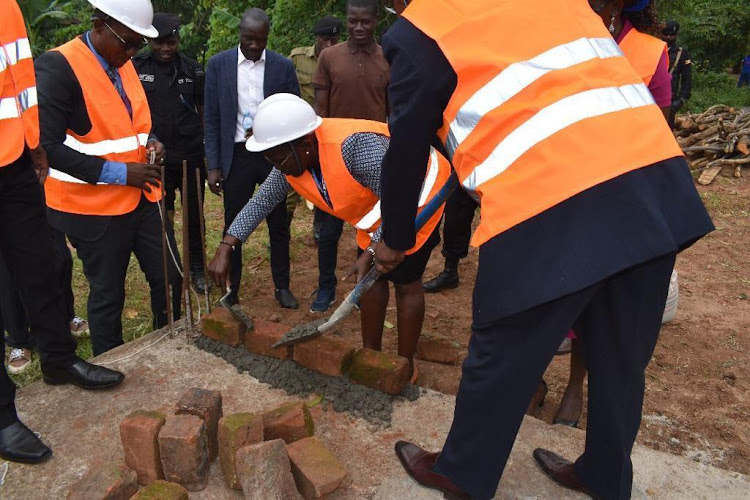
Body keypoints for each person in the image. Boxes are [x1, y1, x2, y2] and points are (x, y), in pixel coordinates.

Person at [376, 1, 714, 499]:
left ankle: (462, 475)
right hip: (650, 187)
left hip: (549, 198)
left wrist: (395, 239)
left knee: (500, 353)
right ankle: (605, 475)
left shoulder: (418, 34)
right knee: (620, 358)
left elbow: (406, 149)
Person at [207, 93, 450, 380]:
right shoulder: (289, 160)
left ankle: (405, 364)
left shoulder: (355, 148)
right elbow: (261, 202)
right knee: (371, 277)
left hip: (420, 192)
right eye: (269, 157)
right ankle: (371, 355)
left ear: (306, 144)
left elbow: (401, 191)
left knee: (405, 279)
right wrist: (227, 245)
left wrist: (378, 246)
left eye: (277, 157)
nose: (275, 165)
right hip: (379, 205)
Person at [0, 0, 125, 464]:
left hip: (14, 157)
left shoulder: (7, 7)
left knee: (44, 265)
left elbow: (19, 79)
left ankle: (58, 358)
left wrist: (33, 143)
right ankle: (2, 415)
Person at [552, 0, 675, 429]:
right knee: (543, 293)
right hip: (553, 188)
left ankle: (574, 387)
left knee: (594, 299)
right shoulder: (554, 30)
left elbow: (656, 133)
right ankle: (531, 379)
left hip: (615, 196)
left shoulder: (647, 51)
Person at [35, 0, 182, 356]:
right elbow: (48, 146)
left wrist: (152, 142)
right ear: (99, 25)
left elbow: (134, 124)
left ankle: (171, 346)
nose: (132, 52)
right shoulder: (58, 66)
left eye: (137, 45)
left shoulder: (122, 61)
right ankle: (113, 362)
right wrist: (120, 173)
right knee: (108, 294)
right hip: (93, 208)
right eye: (127, 43)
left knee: (169, 277)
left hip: (143, 197)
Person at [204, 8, 300, 309]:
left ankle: (282, 287)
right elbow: (211, 118)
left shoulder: (282, 67)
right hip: (237, 155)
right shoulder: (218, 65)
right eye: (249, 39)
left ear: (267, 37)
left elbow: (293, 112)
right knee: (234, 224)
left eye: (261, 40)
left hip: (273, 155)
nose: (255, 46)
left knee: (278, 225)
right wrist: (214, 165)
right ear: (240, 35)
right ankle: (232, 289)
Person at [310, 0, 390, 313]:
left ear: (375, 22)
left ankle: (365, 287)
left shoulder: (388, 58)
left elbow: (393, 110)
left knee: (373, 227)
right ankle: (326, 286)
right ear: (347, 21)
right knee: (327, 230)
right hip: (335, 159)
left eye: (365, 22)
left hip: (374, 159)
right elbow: (320, 111)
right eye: (352, 21)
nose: (358, 28)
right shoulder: (329, 57)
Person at [133, 12, 209, 294]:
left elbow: (203, 112)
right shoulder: (136, 67)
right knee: (160, 217)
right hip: (156, 159)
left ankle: (197, 269)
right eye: (160, 43)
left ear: (178, 40)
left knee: (194, 216)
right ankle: (168, 270)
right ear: (151, 41)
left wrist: (206, 149)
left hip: (190, 156)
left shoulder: (193, 70)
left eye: (171, 43)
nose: (166, 49)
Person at [288, 15, 342, 244]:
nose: (329, 44)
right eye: (324, 39)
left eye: (333, 39)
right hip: (299, 130)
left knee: (326, 180)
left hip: (329, 131)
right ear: (316, 38)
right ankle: (283, 226)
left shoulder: (344, 59)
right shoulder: (298, 59)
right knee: (291, 179)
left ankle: (320, 227)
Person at [662, 20, 692, 128]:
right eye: (666, 34)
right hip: (653, 99)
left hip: (670, 100)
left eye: (672, 35)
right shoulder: (655, 49)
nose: (669, 37)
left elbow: (687, 80)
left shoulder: (682, 54)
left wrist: (680, 101)